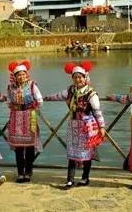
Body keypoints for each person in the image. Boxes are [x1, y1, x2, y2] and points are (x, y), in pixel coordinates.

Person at [45, 61, 106, 189]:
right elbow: (57, 96)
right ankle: (70, 180)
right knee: (72, 153)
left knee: (86, 153)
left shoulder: (91, 93)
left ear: (85, 78)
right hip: (73, 126)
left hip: (86, 127)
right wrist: (45, 98)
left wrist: (102, 127)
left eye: (80, 77)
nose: (78, 80)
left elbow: (97, 111)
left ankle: (85, 178)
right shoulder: (71, 90)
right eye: (75, 77)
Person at [7, 60, 44, 183]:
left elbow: (39, 100)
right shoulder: (10, 87)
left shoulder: (32, 85)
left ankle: (28, 172)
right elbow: (8, 102)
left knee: (29, 147)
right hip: (16, 118)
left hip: (29, 117)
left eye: (23, 74)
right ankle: (20, 173)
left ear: (26, 74)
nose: (21, 76)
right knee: (18, 148)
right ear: (15, 76)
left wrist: (31, 106)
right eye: (18, 74)